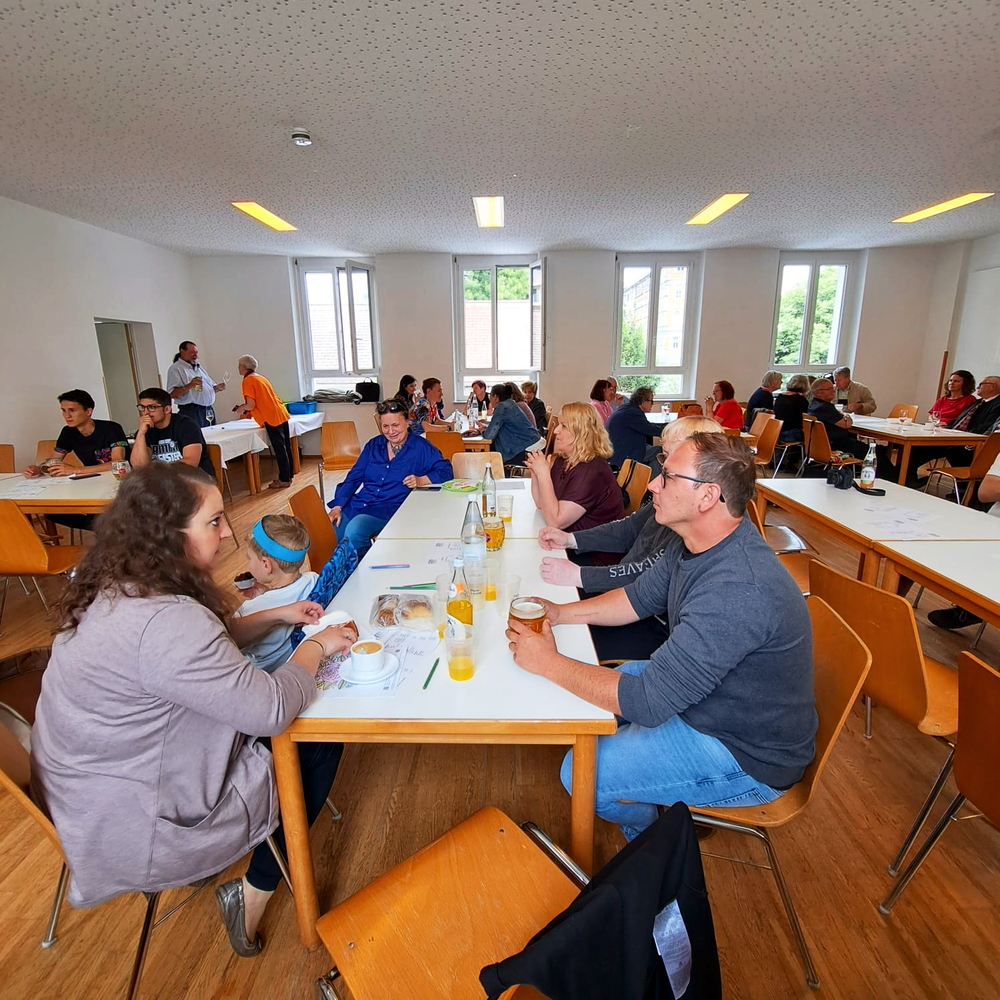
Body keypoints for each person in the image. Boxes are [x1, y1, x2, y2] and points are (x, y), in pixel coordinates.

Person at [30, 462, 357, 956]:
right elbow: (270, 708)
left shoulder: (122, 584)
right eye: (215, 521)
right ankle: (253, 891)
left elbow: (209, 642)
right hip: (139, 820)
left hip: (90, 788)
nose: (227, 534)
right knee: (316, 737)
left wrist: (277, 613)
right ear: (170, 533)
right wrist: (318, 646)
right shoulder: (166, 621)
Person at [507, 433, 817, 841]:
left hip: (744, 753)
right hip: (710, 702)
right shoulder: (696, 543)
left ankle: (658, 845)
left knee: (582, 774)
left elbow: (648, 702)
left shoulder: (738, 587)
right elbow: (637, 598)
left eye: (668, 477)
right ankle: (660, 798)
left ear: (707, 496)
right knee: (588, 693)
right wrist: (561, 613)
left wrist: (548, 661)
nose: (654, 484)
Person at [538, 416, 723, 660]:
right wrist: (571, 539)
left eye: (669, 468)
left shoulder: (695, 532)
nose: (655, 483)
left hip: (653, 626)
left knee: (563, 642)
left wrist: (580, 576)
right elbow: (627, 530)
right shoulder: (674, 505)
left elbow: (642, 581)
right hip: (629, 601)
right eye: (663, 459)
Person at [329, 399, 453, 555]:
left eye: (395, 425)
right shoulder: (373, 445)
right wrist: (337, 506)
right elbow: (353, 478)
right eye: (385, 426)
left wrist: (421, 480)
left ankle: (362, 567)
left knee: (355, 530)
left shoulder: (421, 447)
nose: (390, 431)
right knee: (333, 530)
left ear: (408, 422)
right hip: (360, 503)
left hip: (390, 508)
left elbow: (446, 471)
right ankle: (344, 569)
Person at [525, 401, 624, 544]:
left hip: (593, 550)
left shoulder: (591, 470)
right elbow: (541, 504)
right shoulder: (564, 460)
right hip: (569, 542)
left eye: (564, 426)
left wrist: (543, 474)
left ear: (581, 433)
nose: (556, 430)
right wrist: (536, 473)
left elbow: (556, 521)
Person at [925, 447, 1000, 632]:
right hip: (993, 533)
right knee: (917, 543)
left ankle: (976, 606)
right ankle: (973, 606)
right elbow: (987, 491)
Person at [233, 515, 319, 673]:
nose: (248, 562)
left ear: (266, 564)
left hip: (262, 674)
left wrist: (263, 599)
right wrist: (267, 593)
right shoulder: (313, 580)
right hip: (296, 660)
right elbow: (285, 599)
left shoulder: (249, 610)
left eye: (249, 558)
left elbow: (227, 641)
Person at [22, 389, 128, 478]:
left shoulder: (112, 428)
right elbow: (54, 461)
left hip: (120, 479)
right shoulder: (67, 432)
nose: (67, 415)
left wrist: (75, 470)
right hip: (92, 479)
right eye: (63, 410)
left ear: (88, 411)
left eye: (72, 410)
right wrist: (38, 469)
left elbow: (118, 463)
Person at [235, 355, 293, 490]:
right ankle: (288, 475)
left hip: (270, 417)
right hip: (280, 412)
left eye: (239, 366)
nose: (238, 368)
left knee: (280, 448)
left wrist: (241, 408)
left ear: (244, 367)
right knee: (286, 446)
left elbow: (251, 404)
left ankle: (284, 479)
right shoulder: (260, 378)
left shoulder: (248, 381)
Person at [130, 386, 215, 479]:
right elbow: (139, 466)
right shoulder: (145, 431)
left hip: (194, 479)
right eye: (142, 407)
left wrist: (158, 472)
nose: (145, 412)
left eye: (151, 407)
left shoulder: (187, 425)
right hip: (162, 481)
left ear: (167, 409)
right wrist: (141, 433)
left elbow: (191, 462)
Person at [471, 383, 542, 465]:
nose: (490, 399)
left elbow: (488, 436)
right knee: (492, 446)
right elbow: (500, 425)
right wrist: (486, 427)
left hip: (521, 447)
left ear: (496, 397)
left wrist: (482, 431)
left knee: (490, 448)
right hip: (529, 440)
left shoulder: (502, 407)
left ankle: (487, 468)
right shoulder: (510, 403)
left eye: (491, 396)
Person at [807, 378, 872, 462]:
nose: (833, 391)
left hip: (819, 445)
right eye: (829, 389)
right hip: (836, 446)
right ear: (818, 392)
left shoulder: (813, 404)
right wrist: (846, 416)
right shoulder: (825, 407)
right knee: (874, 452)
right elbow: (846, 424)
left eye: (832, 388)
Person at [165, 341, 226, 427]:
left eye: (196, 352)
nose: (195, 355)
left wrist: (217, 388)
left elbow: (203, 390)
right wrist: (189, 385)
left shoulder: (199, 368)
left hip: (208, 410)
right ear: (182, 351)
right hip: (192, 411)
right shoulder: (176, 369)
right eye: (192, 352)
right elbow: (172, 394)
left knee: (213, 434)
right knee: (197, 435)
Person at [606, 386, 663, 470]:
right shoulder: (633, 413)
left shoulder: (629, 408)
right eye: (651, 401)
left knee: (654, 452)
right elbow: (651, 430)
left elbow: (646, 426)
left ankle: (645, 476)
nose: (652, 404)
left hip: (620, 448)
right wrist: (671, 429)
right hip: (623, 453)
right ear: (643, 401)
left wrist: (668, 426)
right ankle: (648, 478)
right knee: (660, 452)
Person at [773, 374, 811, 443]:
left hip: (777, 432)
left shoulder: (780, 397)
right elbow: (805, 418)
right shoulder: (800, 400)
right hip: (791, 434)